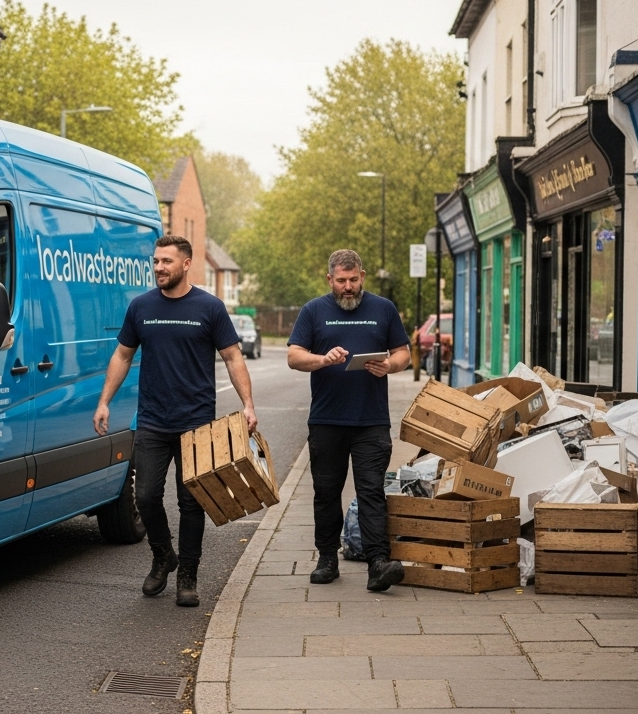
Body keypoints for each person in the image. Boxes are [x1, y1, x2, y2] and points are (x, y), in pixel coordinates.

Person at [94, 235, 258, 607]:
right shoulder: (141, 307)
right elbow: (122, 355)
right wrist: (104, 401)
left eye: (166, 261)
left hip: (196, 422)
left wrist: (248, 404)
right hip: (152, 419)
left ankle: (188, 574)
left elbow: (233, 357)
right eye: (155, 261)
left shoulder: (210, 307)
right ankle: (163, 555)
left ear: (186, 264)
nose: (158, 268)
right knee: (146, 496)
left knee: (191, 502)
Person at [287, 249, 412, 592]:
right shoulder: (314, 310)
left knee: (371, 491)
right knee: (326, 492)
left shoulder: (383, 309)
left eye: (353, 280)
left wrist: (390, 365)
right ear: (329, 280)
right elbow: (294, 357)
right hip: (326, 420)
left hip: (371, 420)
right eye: (341, 281)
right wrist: (322, 359)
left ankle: (377, 562)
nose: (348, 287)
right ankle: (327, 558)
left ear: (363, 276)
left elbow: (403, 353)